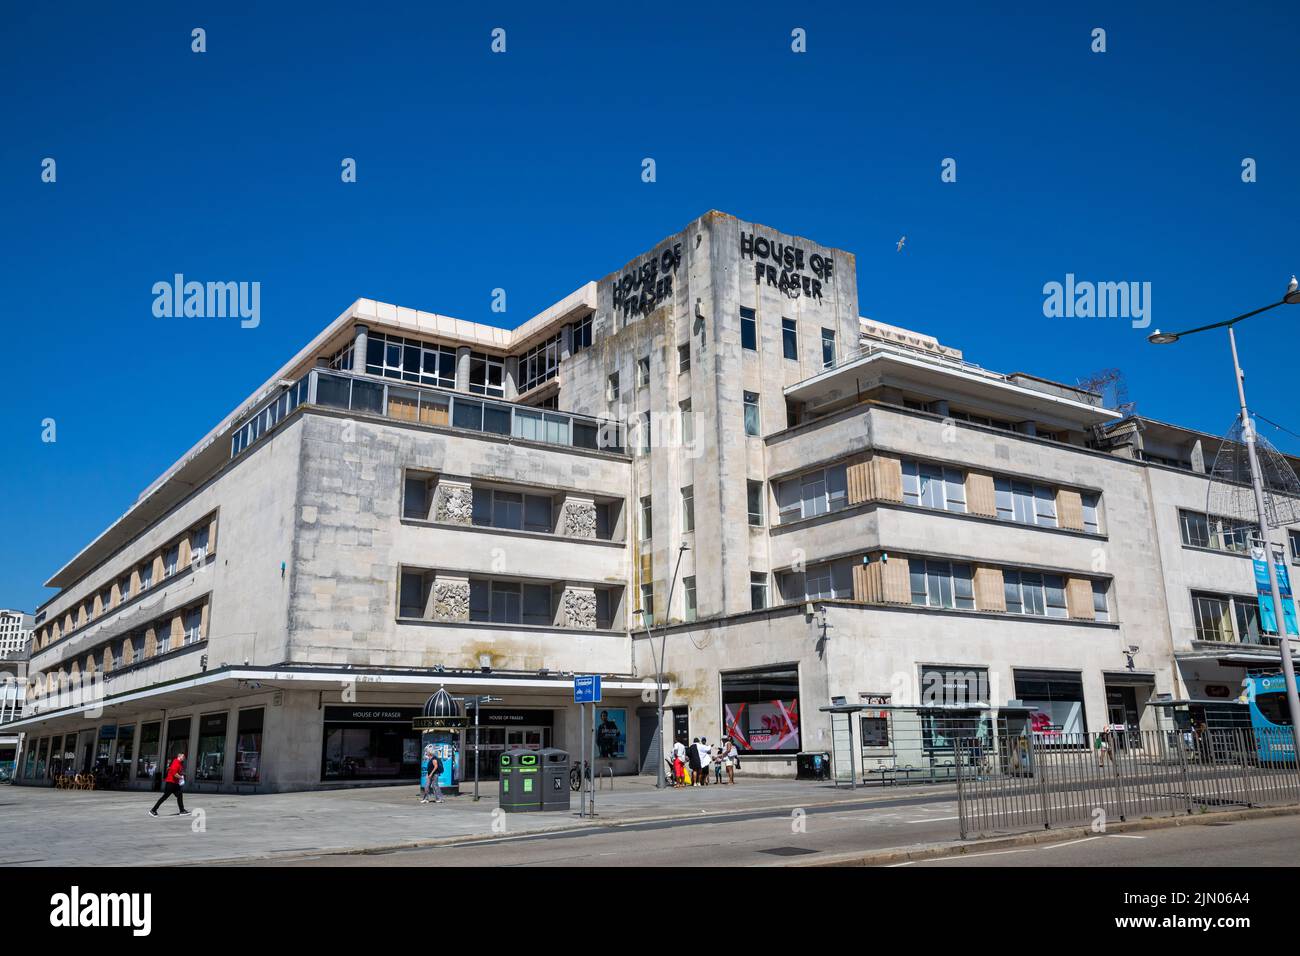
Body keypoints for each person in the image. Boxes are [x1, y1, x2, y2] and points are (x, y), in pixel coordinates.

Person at [149, 751, 189, 816]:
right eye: (183, 756)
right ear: (179, 756)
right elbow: (175, 774)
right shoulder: (176, 762)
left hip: (175, 783)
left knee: (179, 795)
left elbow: (176, 772)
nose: (184, 757)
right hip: (171, 783)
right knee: (164, 797)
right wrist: (181, 777)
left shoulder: (179, 763)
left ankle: (182, 810)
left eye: (184, 756)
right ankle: (153, 810)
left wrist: (183, 774)